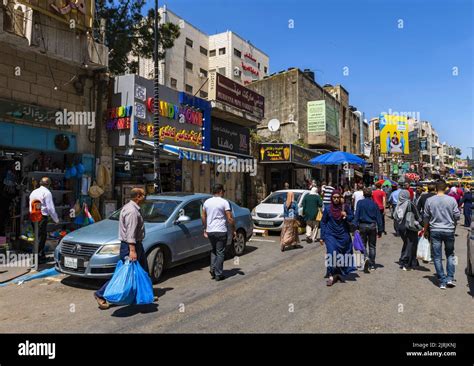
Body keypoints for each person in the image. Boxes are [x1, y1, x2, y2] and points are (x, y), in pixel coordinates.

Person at [94, 188, 150, 309]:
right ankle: (101, 294)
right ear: (138, 196)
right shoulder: (132, 212)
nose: (146, 197)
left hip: (135, 245)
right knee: (125, 272)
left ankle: (144, 295)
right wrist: (132, 250)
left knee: (143, 271)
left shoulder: (130, 207)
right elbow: (130, 233)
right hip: (130, 246)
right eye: (144, 195)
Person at [424, 181, 461, 289]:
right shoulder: (451, 200)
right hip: (449, 230)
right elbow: (457, 216)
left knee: (437, 256)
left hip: (435, 230)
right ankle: (450, 278)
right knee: (450, 254)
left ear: (435, 188)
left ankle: (442, 281)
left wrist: (425, 230)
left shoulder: (429, 200)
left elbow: (426, 217)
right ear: (445, 189)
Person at [320, 190, 356, 286]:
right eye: (334, 197)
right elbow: (323, 222)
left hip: (343, 235)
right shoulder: (327, 209)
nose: (336, 199)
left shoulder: (345, 207)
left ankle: (338, 273)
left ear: (340, 198)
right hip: (330, 235)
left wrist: (346, 215)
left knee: (342, 255)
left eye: (337, 197)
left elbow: (352, 217)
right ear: (331, 198)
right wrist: (322, 236)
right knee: (331, 253)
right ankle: (331, 275)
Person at [202, 184, 236, 281]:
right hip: (221, 230)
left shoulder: (207, 202)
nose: (224, 193)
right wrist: (234, 229)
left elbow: (203, 216)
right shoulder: (224, 202)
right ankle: (218, 274)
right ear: (220, 191)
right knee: (220, 252)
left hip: (210, 230)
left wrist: (205, 228)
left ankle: (213, 269)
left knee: (214, 250)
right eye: (223, 191)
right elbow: (229, 218)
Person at [29, 177, 59, 263]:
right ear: (49, 184)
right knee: (41, 237)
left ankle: (40, 256)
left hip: (33, 215)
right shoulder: (47, 192)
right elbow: (50, 209)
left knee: (37, 236)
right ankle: (36, 258)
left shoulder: (34, 191)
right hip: (41, 216)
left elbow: (31, 205)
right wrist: (56, 219)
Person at [353, 188, 383, 272]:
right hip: (372, 226)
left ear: (363, 194)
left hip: (362, 225)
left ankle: (365, 257)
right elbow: (378, 217)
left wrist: (354, 226)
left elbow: (357, 215)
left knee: (363, 245)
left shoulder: (360, 203)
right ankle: (372, 264)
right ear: (371, 195)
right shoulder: (374, 204)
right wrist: (380, 229)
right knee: (372, 246)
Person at [394, 190, 423, 271]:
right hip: (409, 227)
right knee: (411, 244)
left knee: (407, 243)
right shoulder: (410, 203)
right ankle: (405, 262)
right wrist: (423, 225)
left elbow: (395, 216)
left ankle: (412, 262)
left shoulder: (398, 204)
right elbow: (417, 215)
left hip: (400, 227)